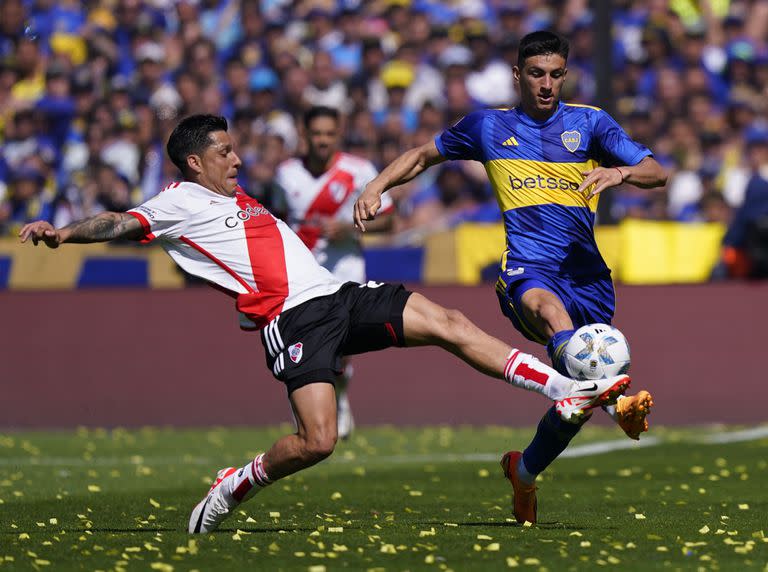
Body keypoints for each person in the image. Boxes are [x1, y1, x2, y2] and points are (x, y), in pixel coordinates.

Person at [19, 114, 631, 534]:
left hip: (337, 294)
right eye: (224, 151)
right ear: (193, 160)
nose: (236, 158)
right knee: (318, 442)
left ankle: (566, 387)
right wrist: (64, 232)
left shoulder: (232, 199)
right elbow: (122, 223)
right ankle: (237, 483)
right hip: (294, 320)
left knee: (448, 321)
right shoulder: (177, 201)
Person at [354, 31, 668, 524]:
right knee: (551, 314)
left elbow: (656, 171)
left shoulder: (590, 124)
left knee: (572, 401)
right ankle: (619, 404)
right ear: (518, 76)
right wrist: (375, 186)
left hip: (588, 276)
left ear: (565, 74)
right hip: (529, 271)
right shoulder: (488, 127)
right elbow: (421, 155)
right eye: (538, 74)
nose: (547, 85)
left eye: (556, 75)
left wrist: (621, 174)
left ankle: (523, 471)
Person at [275, 105, 394, 439]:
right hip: (300, 268)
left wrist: (351, 229)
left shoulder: (358, 171)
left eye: (329, 134)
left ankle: (339, 401)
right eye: (316, 134)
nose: (323, 141)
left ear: (338, 134)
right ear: (305, 135)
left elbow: (389, 219)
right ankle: (307, 409)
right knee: (298, 342)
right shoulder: (286, 174)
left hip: (345, 266)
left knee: (341, 344)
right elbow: (275, 218)